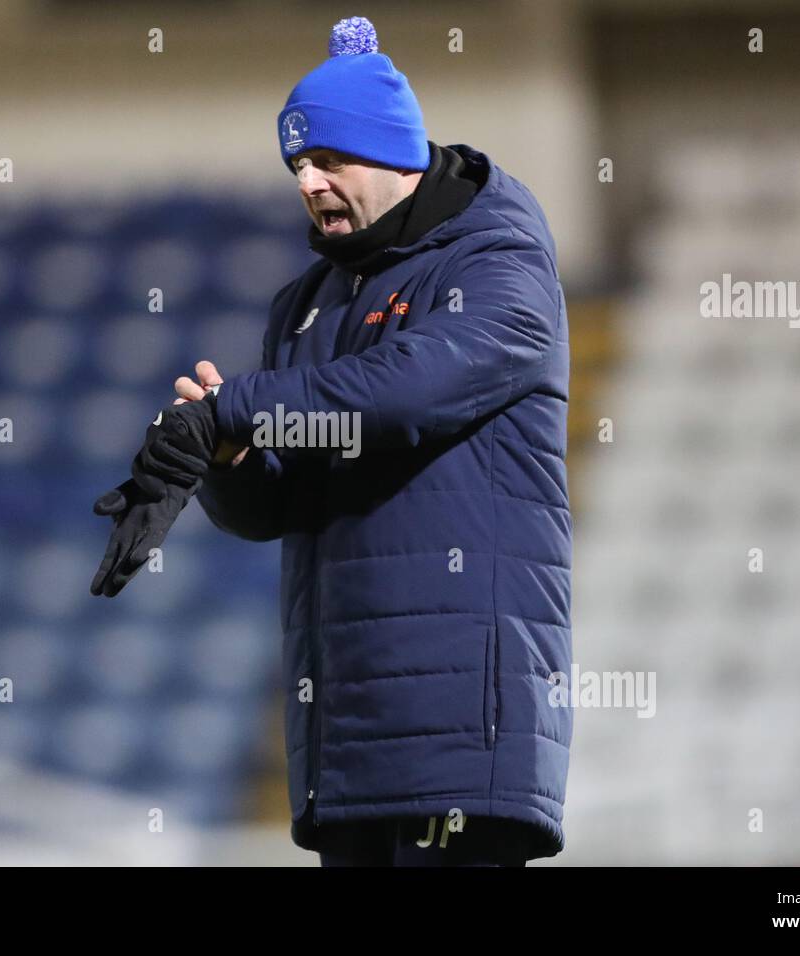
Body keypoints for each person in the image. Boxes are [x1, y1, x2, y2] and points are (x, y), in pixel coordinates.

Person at [93, 16, 572, 867]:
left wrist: (232, 408)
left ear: (395, 152)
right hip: (346, 741)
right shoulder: (307, 303)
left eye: (327, 159)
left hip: (461, 731)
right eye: (296, 167)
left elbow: (396, 397)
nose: (308, 182)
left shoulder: (498, 261)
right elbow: (284, 498)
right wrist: (228, 462)